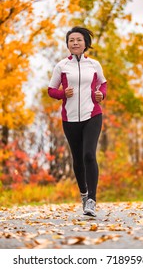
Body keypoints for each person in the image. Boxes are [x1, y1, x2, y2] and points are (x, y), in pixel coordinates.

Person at [48, 26, 107, 217]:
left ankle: (92, 199)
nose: (75, 43)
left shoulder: (94, 65)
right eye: (71, 40)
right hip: (70, 117)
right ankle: (83, 193)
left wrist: (101, 95)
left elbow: (103, 84)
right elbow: (51, 90)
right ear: (67, 44)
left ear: (85, 44)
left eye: (79, 40)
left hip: (93, 114)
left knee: (89, 155)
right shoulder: (62, 66)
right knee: (78, 159)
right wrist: (62, 94)